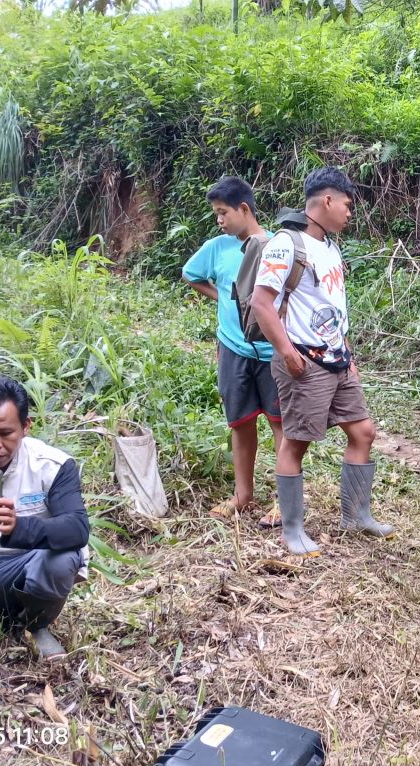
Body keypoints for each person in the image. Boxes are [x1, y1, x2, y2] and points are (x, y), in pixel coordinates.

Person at [250, 167, 392, 557]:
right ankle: (292, 531)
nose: (350, 213)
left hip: (337, 361)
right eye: (347, 205)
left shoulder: (330, 247)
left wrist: (348, 354)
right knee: (296, 443)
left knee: (363, 432)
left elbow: (333, 307)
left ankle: (356, 515)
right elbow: (262, 303)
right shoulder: (285, 244)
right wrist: (288, 353)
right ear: (327, 201)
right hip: (304, 361)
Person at [0, 375, 90, 663]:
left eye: (6, 432)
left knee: (63, 557)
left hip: (28, 568)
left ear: (26, 426)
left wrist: (20, 527)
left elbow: (77, 528)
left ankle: (35, 625)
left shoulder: (51, 465)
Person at [183, 176, 283, 527]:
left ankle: (285, 500)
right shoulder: (217, 247)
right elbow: (191, 274)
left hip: (273, 352)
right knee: (240, 423)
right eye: (216, 214)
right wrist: (222, 298)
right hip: (232, 349)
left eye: (223, 212)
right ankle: (243, 494)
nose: (220, 221)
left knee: (280, 423)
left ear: (244, 208)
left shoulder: (276, 246)